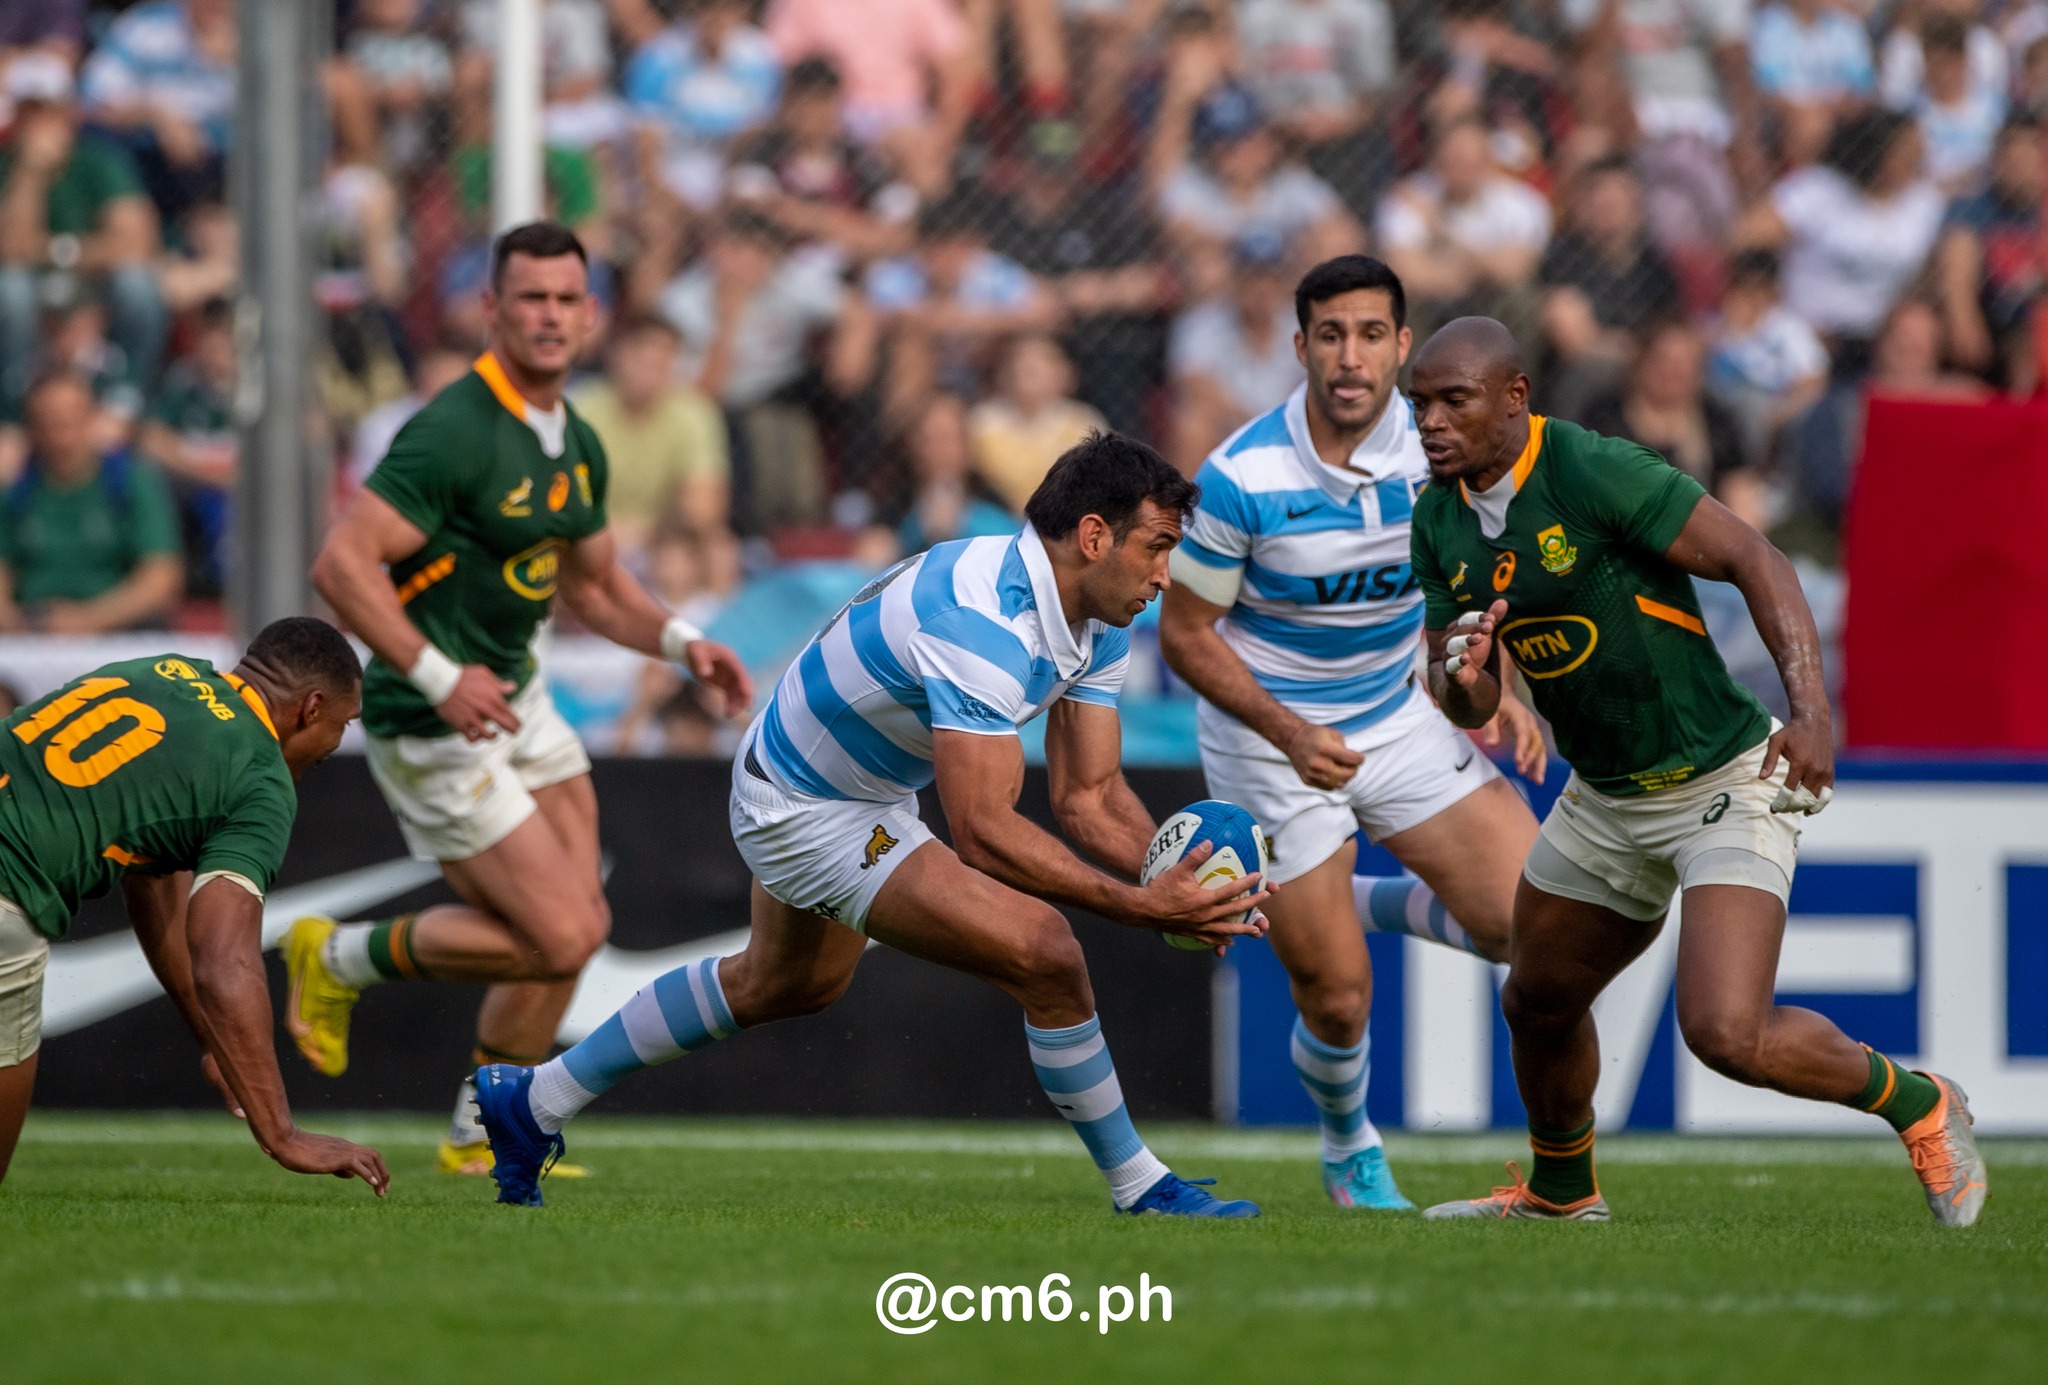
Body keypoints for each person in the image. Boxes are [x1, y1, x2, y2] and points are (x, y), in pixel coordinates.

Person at [472, 431, 1270, 1217]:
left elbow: (1089, 796)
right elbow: (983, 831)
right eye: (1159, 547)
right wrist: (1139, 907)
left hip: (851, 786)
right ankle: (1141, 1185)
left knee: (782, 983)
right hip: (804, 806)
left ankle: (533, 1100)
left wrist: (1177, 881)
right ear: (1094, 536)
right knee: (1048, 953)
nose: (1166, 576)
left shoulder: (1096, 617)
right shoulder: (980, 622)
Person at [1406, 317, 1987, 1227]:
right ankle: (1563, 1191)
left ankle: (1922, 1102)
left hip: (1719, 776)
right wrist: (1466, 678)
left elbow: (1758, 557)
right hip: (1602, 796)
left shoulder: (1592, 468)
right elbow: (1467, 696)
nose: (1431, 421)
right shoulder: (1436, 517)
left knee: (1726, 1033)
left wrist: (1812, 713)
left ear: (1515, 398)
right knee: (1538, 997)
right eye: (1419, 405)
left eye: (1453, 400)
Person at [297, 222, 754, 1179]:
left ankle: (481, 1130)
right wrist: (436, 674)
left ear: (590, 316)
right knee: (567, 932)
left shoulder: (573, 436)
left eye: (565, 299)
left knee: (571, 924)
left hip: (519, 697)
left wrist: (685, 643)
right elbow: (341, 563)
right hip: (432, 721)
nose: (549, 316)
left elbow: (593, 588)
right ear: (492, 309)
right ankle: (338, 957)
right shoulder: (455, 429)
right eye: (531, 298)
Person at [1157, 258, 1544, 1212]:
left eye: (1372, 334)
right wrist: (1287, 732)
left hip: (1399, 713)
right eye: (1330, 335)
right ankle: (1349, 1146)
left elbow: (1472, 573)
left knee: (1543, 929)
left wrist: (1498, 685)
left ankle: (1358, 896)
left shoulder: (1436, 447)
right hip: (1269, 741)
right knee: (1337, 995)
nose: (1351, 356)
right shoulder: (1242, 476)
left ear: (1404, 347)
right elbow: (1184, 637)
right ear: (1300, 348)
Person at [0, 617, 387, 1196]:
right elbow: (223, 959)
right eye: (344, 722)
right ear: (311, 707)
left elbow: (152, 875)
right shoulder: (260, 776)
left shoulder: (165, 670)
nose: (338, 742)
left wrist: (214, 1039)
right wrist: (282, 1133)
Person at [0, 59, 166, 421]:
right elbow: (10, 251)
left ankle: (130, 397)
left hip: (94, 283)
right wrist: (29, 176)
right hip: (35, 284)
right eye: (31, 112)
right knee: (10, 290)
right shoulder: (7, 167)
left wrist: (55, 250)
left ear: (69, 113)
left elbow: (135, 244)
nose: (41, 124)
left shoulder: (102, 162)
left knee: (138, 285)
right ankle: (11, 405)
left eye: (50, 112)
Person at [0, 369, 182, 634]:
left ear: (91, 419)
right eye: (46, 424)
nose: (59, 438)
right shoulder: (16, 490)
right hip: (32, 633)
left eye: (67, 423)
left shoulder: (130, 483)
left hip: (117, 636)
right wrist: (10, 617)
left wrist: (87, 620)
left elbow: (161, 578)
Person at [570, 313, 731, 560]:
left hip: (663, 544)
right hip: (587, 541)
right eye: (641, 355)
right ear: (616, 355)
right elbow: (561, 500)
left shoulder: (695, 412)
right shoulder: (581, 409)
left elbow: (703, 508)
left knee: (717, 550)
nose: (652, 366)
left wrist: (645, 534)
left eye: (664, 356)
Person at [968, 333, 1105, 516]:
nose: (1026, 366)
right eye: (1020, 360)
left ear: (1064, 374)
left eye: (1042, 360)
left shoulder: (1083, 422)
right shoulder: (981, 423)